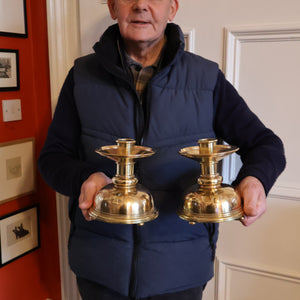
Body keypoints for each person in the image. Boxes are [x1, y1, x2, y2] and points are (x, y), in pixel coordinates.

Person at [38, 0, 286, 299]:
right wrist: (86, 178)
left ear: (173, 8)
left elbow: (265, 144)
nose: (141, 5)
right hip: (99, 267)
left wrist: (254, 179)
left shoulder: (206, 78)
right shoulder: (81, 75)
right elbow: (53, 158)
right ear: (113, 7)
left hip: (181, 272)